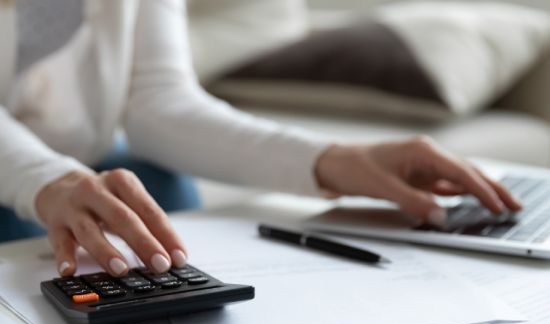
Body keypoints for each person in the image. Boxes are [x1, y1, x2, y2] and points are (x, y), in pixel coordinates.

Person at [0, 0, 520, 278]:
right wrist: (47, 180)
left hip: (79, 160)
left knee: (160, 194)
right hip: (26, 176)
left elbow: (157, 101)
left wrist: (335, 160)